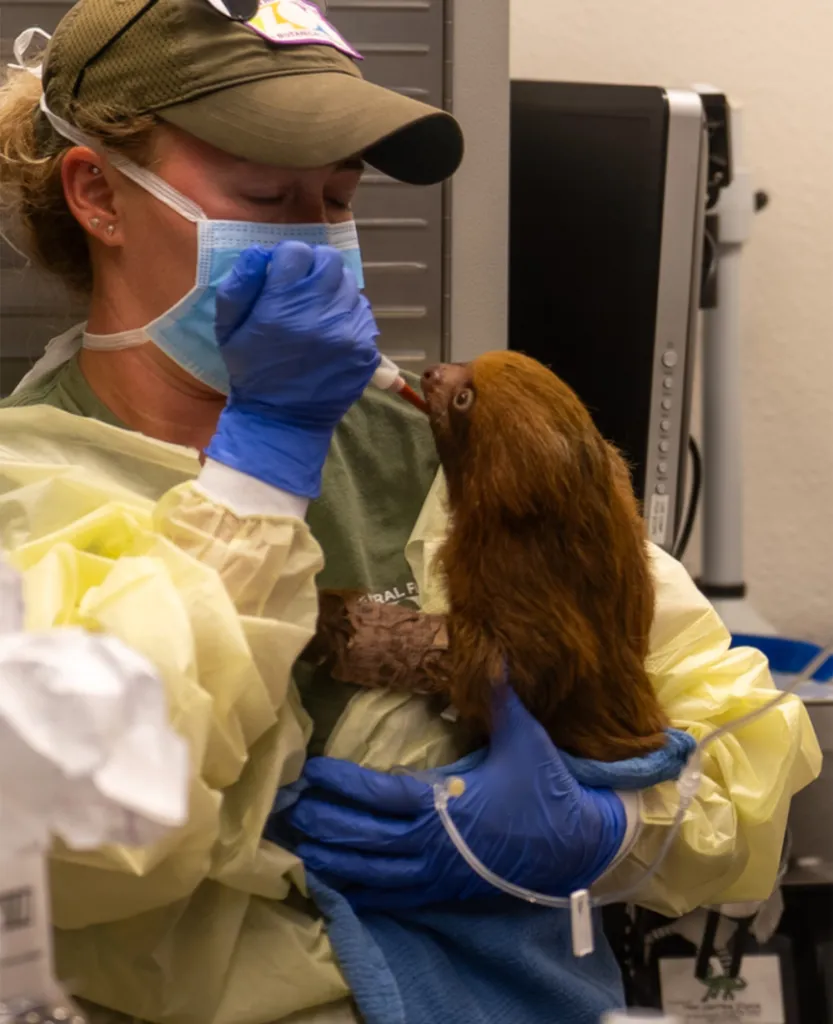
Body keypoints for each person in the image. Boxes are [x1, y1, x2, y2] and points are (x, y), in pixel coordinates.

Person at [0, 1, 820, 1022]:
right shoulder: (27, 485)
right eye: (264, 196)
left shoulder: (444, 457)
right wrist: (261, 469)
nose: (315, 244)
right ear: (99, 195)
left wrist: (616, 830)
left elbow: (741, 745)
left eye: (336, 201)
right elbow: (83, 844)